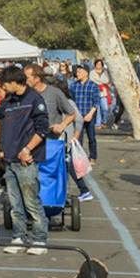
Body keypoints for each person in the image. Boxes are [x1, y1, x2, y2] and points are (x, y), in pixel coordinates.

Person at [0, 66, 48, 255]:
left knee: (31, 201)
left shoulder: (34, 99)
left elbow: (43, 129)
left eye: (5, 84)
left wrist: (28, 149)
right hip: (10, 160)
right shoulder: (9, 101)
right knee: (15, 203)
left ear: (14, 82)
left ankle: (40, 239)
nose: (4, 87)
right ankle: (18, 237)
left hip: (26, 161)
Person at [35, 64, 92, 202]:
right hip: (60, 138)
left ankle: (81, 190)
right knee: (62, 167)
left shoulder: (68, 102)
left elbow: (77, 119)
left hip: (64, 138)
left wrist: (75, 137)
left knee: (66, 166)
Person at [69, 64, 103, 162]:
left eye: (80, 72)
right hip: (77, 116)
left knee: (91, 137)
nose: (77, 73)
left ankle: (93, 157)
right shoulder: (74, 85)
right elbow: (71, 100)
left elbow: (96, 102)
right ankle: (78, 157)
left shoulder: (93, 86)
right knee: (77, 138)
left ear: (86, 73)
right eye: (77, 72)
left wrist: (90, 114)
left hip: (89, 115)